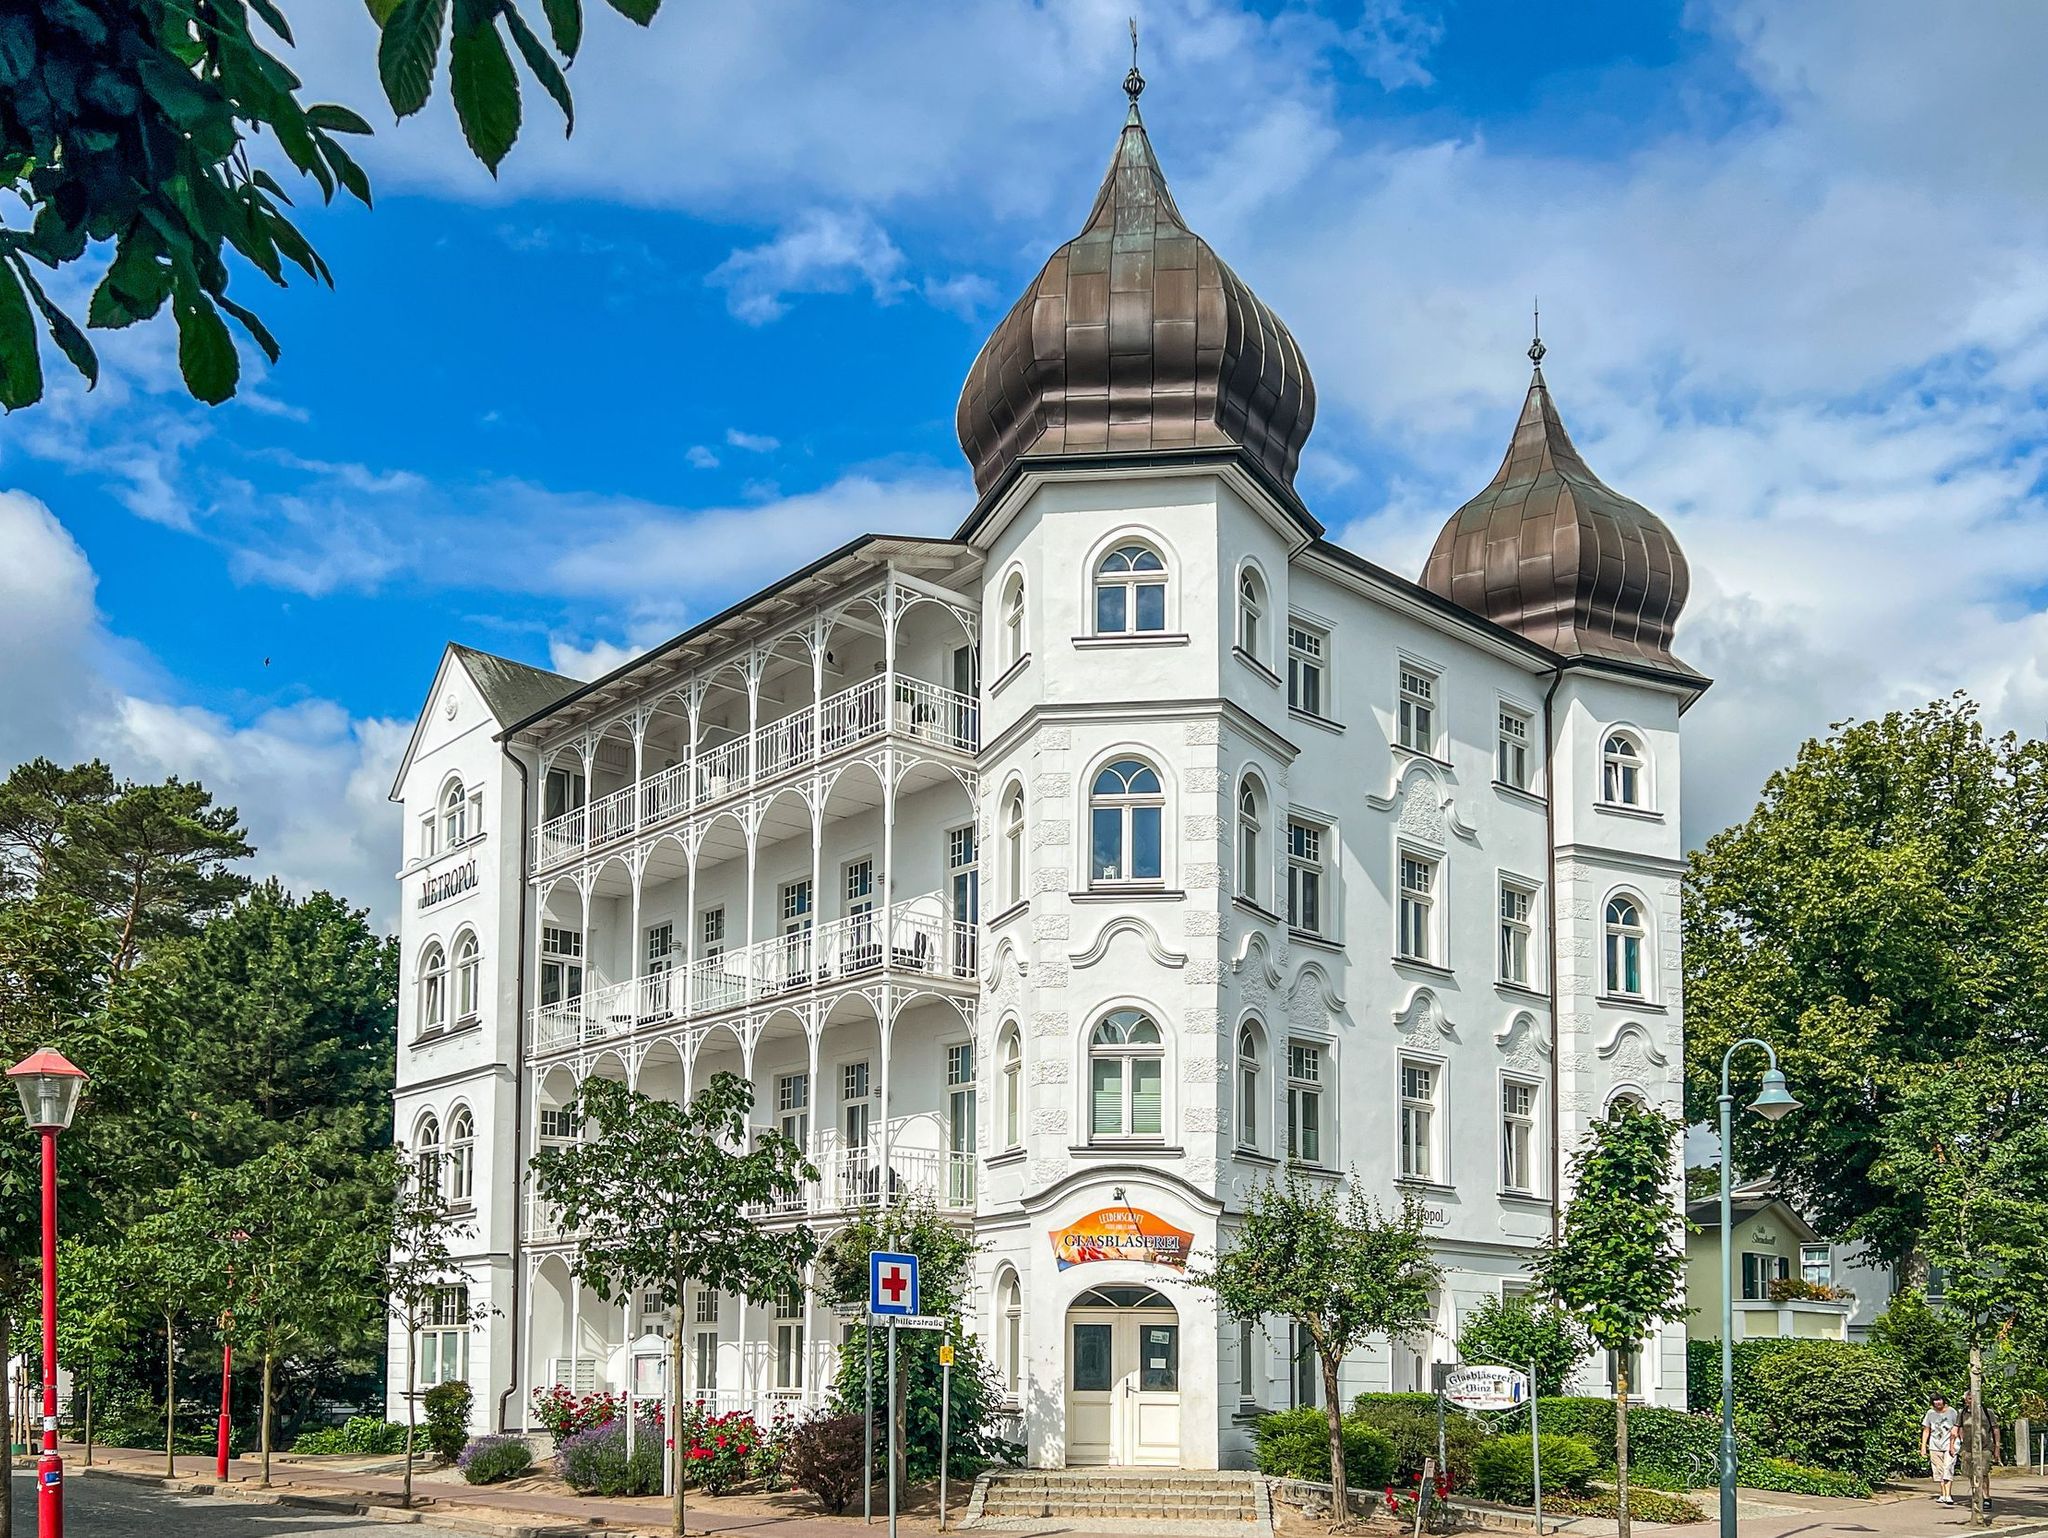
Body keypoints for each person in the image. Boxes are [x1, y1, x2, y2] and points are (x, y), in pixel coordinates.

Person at [1922, 1393, 1960, 1506]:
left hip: (1950, 1444)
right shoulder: (1930, 1413)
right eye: (1935, 1401)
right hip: (1935, 1445)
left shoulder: (1952, 1412)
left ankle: (1948, 1494)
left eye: (1939, 1400)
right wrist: (1923, 1446)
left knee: (1948, 1467)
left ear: (1943, 1400)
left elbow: (1957, 1427)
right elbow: (1926, 1429)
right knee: (1939, 1470)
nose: (1937, 1402)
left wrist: (1956, 1444)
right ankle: (1943, 1494)